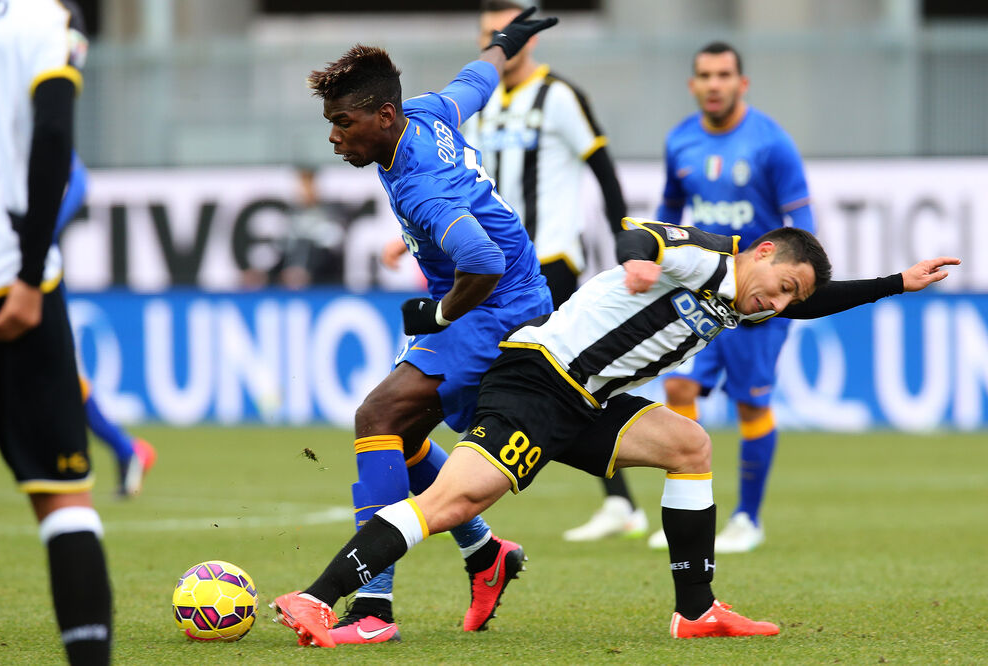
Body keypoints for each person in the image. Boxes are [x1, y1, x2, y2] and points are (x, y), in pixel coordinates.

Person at [269, 218, 958, 645]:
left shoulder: (748, 298)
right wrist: (638, 258)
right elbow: (651, 234)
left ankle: (696, 610)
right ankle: (316, 598)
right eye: (781, 286)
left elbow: (812, 303)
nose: (776, 304)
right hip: (539, 380)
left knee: (691, 447)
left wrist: (897, 281)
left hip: (589, 400)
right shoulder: (714, 260)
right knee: (452, 503)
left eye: (788, 301)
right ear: (765, 251)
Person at [271, 9, 558, 646]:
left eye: (343, 125)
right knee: (395, 438)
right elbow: (476, 80)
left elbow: (481, 259)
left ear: (384, 118)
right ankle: (486, 557)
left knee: (378, 418)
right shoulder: (428, 113)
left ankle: (373, 613)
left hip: (499, 309)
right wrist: (505, 42)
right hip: (500, 298)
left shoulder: (424, 183)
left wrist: (442, 313)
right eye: (331, 125)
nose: (335, 139)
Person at [465, 0, 645, 542]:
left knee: (561, 380)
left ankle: (617, 500)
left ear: (531, 38)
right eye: (490, 34)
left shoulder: (559, 96)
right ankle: (616, 500)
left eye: (507, 32)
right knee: (500, 380)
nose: (498, 41)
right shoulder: (479, 103)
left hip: (550, 261)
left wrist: (627, 241)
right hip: (493, 266)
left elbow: (604, 170)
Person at [639, 41, 816, 553]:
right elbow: (670, 206)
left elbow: (802, 225)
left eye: (723, 75)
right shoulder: (680, 141)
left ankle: (747, 518)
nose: (714, 84)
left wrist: (792, 286)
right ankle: (692, 507)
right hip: (702, 293)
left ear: (742, 83)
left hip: (759, 300)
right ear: (693, 84)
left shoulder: (771, 144)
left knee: (750, 405)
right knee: (678, 392)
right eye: (705, 75)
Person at [0, 1, 113, 663]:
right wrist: (32, 277)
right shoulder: (46, 19)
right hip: (7, 278)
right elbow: (53, 135)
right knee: (64, 502)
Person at [55, 152, 158, 497]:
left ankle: (127, 450)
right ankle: (127, 450)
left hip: (31, 285)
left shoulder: (28, 123)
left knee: (62, 380)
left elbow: (80, 180)